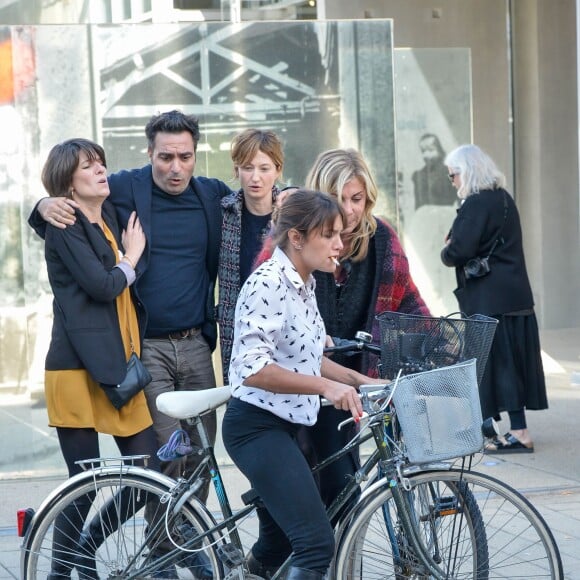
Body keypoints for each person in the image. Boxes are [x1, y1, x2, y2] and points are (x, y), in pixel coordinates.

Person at [29, 111, 227, 579]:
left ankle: (170, 542)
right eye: (166, 157)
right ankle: (125, 562)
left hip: (178, 349)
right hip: (116, 359)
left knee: (177, 465)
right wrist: (39, 204)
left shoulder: (209, 195)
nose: (176, 167)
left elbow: (259, 199)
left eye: (185, 157)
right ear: (150, 154)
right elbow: (74, 241)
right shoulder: (118, 191)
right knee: (116, 474)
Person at [222, 189, 384, 580]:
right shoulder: (268, 283)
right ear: (296, 237)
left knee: (276, 546)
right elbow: (252, 368)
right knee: (315, 544)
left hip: (286, 425)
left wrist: (369, 383)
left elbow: (312, 358)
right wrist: (324, 388)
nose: (339, 245)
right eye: (329, 235)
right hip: (256, 427)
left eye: (340, 235)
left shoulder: (303, 282)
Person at [35, 138, 160, 579]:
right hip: (73, 367)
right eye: (89, 166)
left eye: (101, 163)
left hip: (115, 363)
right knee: (82, 485)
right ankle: (60, 571)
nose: (101, 170)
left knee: (149, 467)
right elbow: (102, 285)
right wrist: (131, 259)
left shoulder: (105, 213)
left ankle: (89, 545)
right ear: (68, 182)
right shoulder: (64, 223)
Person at [302, 148, 430, 513]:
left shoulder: (382, 240)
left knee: (345, 491)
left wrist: (441, 346)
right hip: (303, 381)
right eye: (337, 199)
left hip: (355, 386)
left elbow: (410, 304)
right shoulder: (297, 241)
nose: (348, 210)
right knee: (303, 496)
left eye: (356, 199)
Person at [441, 144, 547, 453]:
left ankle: (518, 432)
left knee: (496, 364)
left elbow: (456, 251)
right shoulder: (503, 199)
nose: (453, 182)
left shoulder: (475, 204)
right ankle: (493, 426)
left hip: (488, 300)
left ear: (468, 172)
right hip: (514, 295)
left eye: (453, 176)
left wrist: (446, 248)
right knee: (507, 363)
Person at [218, 128, 284, 383]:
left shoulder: (292, 214)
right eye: (247, 168)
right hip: (237, 328)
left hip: (283, 327)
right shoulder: (224, 213)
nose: (255, 177)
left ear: (278, 170)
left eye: (264, 168)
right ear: (237, 171)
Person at [412, 133, 458, 209]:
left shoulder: (451, 172)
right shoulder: (418, 175)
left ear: (440, 151)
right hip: (426, 217)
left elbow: (460, 195)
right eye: (423, 151)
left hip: (444, 216)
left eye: (430, 150)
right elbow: (418, 206)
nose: (426, 155)